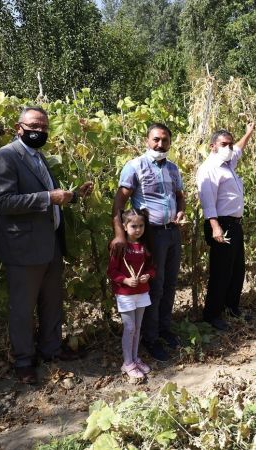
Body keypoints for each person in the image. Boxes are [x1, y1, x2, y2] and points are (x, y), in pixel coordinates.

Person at [0, 106, 94, 384]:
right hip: (23, 249)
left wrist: (73, 195)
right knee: (23, 308)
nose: (39, 132)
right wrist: (48, 196)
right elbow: (3, 202)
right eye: (34, 126)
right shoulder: (6, 157)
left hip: (49, 245)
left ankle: (51, 350)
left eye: (44, 128)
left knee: (51, 302)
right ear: (19, 126)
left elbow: (51, 198)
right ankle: (24, 362)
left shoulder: (39, 157)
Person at [111, 123, 184, 362]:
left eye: (165, 140)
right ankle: (150, 338)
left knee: (171, 283)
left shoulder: (173, 169)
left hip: (172, 232)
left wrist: (181, 212)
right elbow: (119, 203)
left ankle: (165, 329)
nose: (160, 144)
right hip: (152, 234)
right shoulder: (135, 166)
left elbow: (179, 196)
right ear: (146, 140)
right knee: (155, 285)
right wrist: (120, 234)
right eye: (156, 140)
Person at [196, 123, 256, 331]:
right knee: (221, 271)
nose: (228, 148)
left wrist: (248, 132)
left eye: (229, 144)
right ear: (213, 146)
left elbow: (239, 148)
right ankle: (212, 314)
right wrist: (215, 227)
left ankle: (232, 308)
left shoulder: (229, 162)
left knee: (237, 269)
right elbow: (208, 201)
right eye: (224, 144)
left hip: (234, 224)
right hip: (220, 224)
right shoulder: (209, 169)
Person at [107, 209, 156, 381]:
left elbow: (152, 268)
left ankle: (135, 359)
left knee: (138, 328)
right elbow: (111, 271)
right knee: (129, 328)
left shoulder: (144, 247)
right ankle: (127, 363)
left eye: (141, 225)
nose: (138, 229)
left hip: (142, 292)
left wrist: (148, 276)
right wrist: (126, 281)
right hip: (125, 294)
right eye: (133, 226)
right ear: (125, 227)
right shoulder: (120, 246)